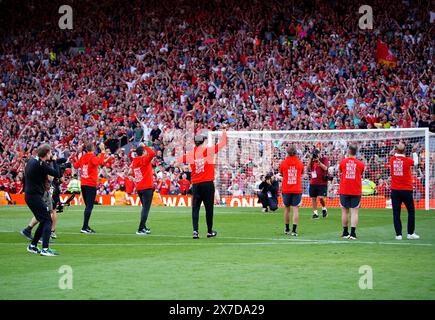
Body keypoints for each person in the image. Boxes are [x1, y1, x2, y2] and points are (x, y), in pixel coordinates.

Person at [177, 125, 227, 239]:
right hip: (208, 184)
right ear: (203, 141)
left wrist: (183, 169)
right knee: (209, 208)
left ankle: (195, 231)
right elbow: (223, 142)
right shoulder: (208, 151)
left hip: (196, 184)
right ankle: (209, 231)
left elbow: (178, 161)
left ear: (195, 143)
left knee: (195, 208)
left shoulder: (191, 154)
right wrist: (224, 130)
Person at [23, 144, 61, 256]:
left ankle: (33, 245)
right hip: (34, 196)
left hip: (30, 195)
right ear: (47, 153)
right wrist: (54, 161)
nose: (51, 155)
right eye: (50, 153)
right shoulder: (41, 164)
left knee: (43, 220)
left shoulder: (32, 161)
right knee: (47, 220)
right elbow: (57, 174)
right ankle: (45, 249)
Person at [389, 143, 420, 240]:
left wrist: (396, 150)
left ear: (396, 151)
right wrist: (414, 151)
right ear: (405, 151)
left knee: (396, 212)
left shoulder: (392, 160)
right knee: (411, 211)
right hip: (406, 190)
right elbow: (416, 163)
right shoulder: (407, 160)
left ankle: (398, 234)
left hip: (395, 190)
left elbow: (393, 154)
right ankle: (410, 233)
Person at [73, 142, 106, 234]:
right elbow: (101, 162)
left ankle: (86, 226)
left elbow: (75, 166)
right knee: (89, 206)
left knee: (88, 206)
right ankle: (84, 227)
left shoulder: (83, 157)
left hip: (83, 183)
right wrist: (103, 151)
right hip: (90, 184)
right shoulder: (92, 157)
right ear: (93, 148)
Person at [338, 145, 365, 240]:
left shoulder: (343, 162)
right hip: (355, 190)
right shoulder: (361, 164)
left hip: (345, 189)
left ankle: (345, 232)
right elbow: (361, 173)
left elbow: (340, 171)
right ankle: (353, 234)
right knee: (354, 212)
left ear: (349, 151)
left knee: (344, 212)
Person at [279, 146, 304, 236]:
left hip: (286, 188)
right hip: (296, 189)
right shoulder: (300, 163)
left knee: (286, 209)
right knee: (295, 209)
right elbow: (302, 173)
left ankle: (286, 229)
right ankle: (294, 230)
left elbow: (281, 173)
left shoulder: (284, 163)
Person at [132, 143, 156, 235]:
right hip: (147, 187)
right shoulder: (144, 160)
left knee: (144, 208)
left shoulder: (134, 161)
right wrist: (145, 145)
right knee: (146, 208)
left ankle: (144, 227)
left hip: (139, 187)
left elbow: (135, 174)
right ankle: (140, 228)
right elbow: (152, 153)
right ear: (143, 152)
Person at [307, 148, 329, 219]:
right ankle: (315, 213)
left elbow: (325, 168)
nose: (316, 155)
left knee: (321, 198)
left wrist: (318, 162)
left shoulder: (324, 159)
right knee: (313, 198)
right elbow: (308, 168)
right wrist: (310, 159)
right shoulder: (312, 160)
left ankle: (324, 208)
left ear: (319, 154)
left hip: (322, 183)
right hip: (313, 182)